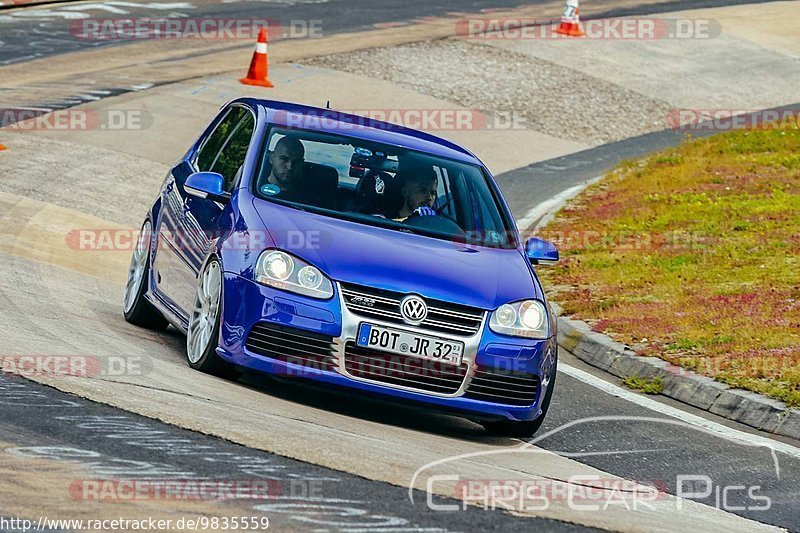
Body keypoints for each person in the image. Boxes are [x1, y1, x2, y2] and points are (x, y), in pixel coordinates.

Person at [261, 136, 306, 202]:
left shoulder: (305, 200)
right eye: (284, 159)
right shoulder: (252, 190)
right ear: (272, 158)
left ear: (301, 164)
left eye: (296, 162)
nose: (290, 167)